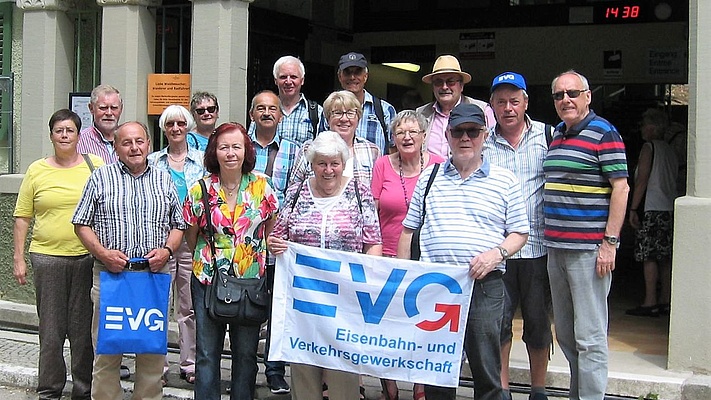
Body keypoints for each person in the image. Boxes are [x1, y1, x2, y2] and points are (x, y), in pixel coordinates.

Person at [398, 103, 529, 400]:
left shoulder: (505, 180)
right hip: (435, 289)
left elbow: (520, 232)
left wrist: (496, 254)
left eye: (473, 131)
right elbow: (408, 230)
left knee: (487, 371)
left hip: (484, 285)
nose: (465, 138)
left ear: (484, 135)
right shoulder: (429, 178)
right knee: (437, 372)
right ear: (447, 135)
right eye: (459, 132)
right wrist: (404, 275)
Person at [72, 121, 186, 400]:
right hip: (111, 277)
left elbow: (179, 224)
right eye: (126, 142)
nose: (134, 148)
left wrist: (168, 251)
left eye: (139, 141)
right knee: (108, 352)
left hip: (152, 276)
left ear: (148, 144)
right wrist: (102, 253)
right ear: (115, 147)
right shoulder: (100, 178)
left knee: (151, 353)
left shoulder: (164, 178)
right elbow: (81, 223)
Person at [268, 130, 383, 400]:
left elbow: (373, 242)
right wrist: (276, 246)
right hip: (304, 299)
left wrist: (366, 280)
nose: (328, 170)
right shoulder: (296, 192)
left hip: (345, 299)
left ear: (344, 163)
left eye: (334, 163)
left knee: (343, 371)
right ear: (312, 164)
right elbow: (277, 236)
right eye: (321, 163)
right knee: (304, 370)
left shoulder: (359, 191)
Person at [543, 70, 629, 400]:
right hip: (557, 248)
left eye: (572, 93)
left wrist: (610, 242)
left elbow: (621, 188)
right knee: (566, 333)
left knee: (590, 337)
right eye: (559, 95)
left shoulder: (604, 133)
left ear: (588, 96)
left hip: (589, 251)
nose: (565, 99)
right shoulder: (557, 135)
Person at [182, 122, 279, 400]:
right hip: (208, 280)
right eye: (224, 147)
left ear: (246, 150)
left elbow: (270, 231)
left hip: (250, 282)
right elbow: (192, 236)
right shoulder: (200, 188)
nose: (230, 153)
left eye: (236, 146)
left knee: (246, 354)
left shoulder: (263, 186)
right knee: (207, 354)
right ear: (215, 152)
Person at [13, 109, 104, 400]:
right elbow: (22, 216)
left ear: (79, 135)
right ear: (51, 135)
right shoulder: (37, 170)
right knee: (51, 332)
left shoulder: (95, 166)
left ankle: (83, 390)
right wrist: (18, 258)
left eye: (70, 130)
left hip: (86, 258)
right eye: (59, 130)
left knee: (82, 332)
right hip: (47, 258)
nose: (64, 135)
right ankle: (50, 390)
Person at [483, 72, 552, 400]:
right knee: (500, 325)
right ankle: (504, 389)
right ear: (492, 106)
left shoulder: (549, 136)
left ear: (526, 102)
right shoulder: (484, 143)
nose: (508, 108)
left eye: (514, 101)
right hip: (500, 251)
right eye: (501, 102)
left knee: (538, 324)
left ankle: (538, 388)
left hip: (538, 248)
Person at [371, 110, 444, 400]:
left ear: (424, 136)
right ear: (393, 138)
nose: (407, 137)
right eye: (401, 132)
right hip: (388, 254)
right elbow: (372, 213)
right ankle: (389, 384)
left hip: (428, 258)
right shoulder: (382, 166)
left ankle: (420, 385)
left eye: (413, 131)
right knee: (389, 326)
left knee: (422, 325)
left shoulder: (439, 165)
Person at [147, 105, 206, 385]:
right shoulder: (152, 161)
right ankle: (156, 364)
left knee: (188, 306)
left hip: (191, 241)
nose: (175, 128)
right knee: (157, 304)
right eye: (170, 124)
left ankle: (189, 362)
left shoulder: (203, 161)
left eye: (181, 123)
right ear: (164, 128)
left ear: (188, 126)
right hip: (159, 241)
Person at [247, 90, 300, 394]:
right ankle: (246, 365)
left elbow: (293, 196)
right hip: (246, 242)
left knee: (279, 308)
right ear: (252, 114)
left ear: (281, 116)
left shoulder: (294, 150)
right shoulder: (240, 145)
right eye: (261, 108)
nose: (267, 113)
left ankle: (275, 370)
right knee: (251, 306)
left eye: (272, 109)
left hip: (281, 240)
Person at [626, 108, 678, 318]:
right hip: (668, 207)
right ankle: (665, 299)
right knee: (664, 257)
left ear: (654, 126)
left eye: (645, 124)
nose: (641, 129)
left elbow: (642, 180)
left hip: (652, 207)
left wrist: (633, 208)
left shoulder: (649, 148)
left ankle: (650, 301)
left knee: (649, 256)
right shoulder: (669, 149)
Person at [291, 90, 381, 188]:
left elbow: (377, 193)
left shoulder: (372, 151)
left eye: (350, 113)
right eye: (338, 113)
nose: (344, 119)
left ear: (358, 118)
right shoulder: (309, 149)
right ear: (328, 118)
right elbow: (294, 189)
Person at [416, 55, 494, 159]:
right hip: (430, 174)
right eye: (438, 82)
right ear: (433, 87)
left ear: (461, 85)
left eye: (450, 81)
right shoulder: (421, 113)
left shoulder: (483, 110)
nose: (444, 87)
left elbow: (493, 149)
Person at [319, 52, 396, 155]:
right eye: (347, 72)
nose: (352, 77)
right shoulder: (329, 109)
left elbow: (394, 149)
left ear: (365, 76)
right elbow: (319, 146)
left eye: (357, 72)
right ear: (339, 76)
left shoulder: (385, 110)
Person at [248, 55, 323, 145]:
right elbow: (251, 143)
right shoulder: (263, 112)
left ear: (302, 80)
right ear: (275, 80)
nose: (288, 82)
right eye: (283, 77)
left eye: (293, 77)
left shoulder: (316, 112)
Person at [77, 84, 123, 163]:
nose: (109, 113)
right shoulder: (79, 142)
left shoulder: (129, 141)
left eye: (114, 108)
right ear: (91, 108)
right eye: (103, 108)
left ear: (121, 109)